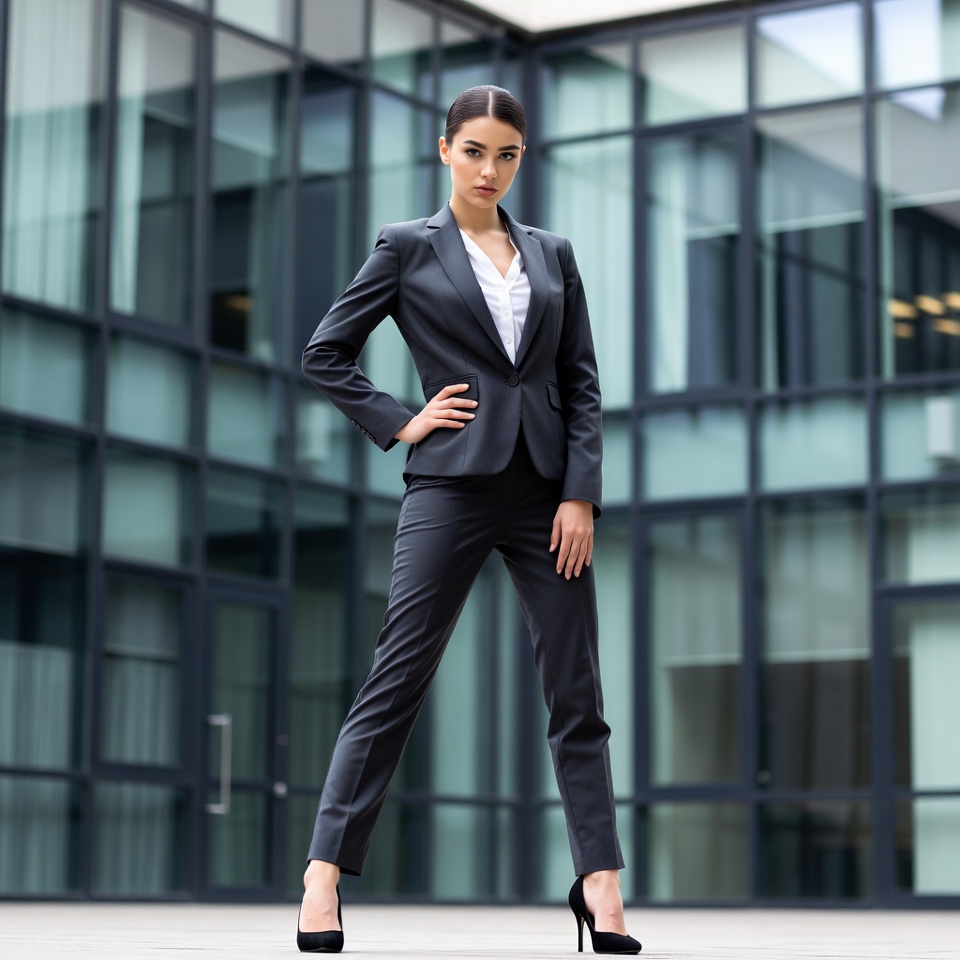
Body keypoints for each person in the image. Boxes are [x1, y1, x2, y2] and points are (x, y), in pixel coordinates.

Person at [297, 85, 640, 956]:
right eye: (476, 151)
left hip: (547, 497)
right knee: (397, 680)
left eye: (509, 154)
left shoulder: (553, 253)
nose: (492, 170)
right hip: (450, 485)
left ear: (522, 159)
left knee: (577, 691)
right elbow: (325, 352)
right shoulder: (407, 248)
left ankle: (600, 886)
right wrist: (399, 420)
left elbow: (582, 383)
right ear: (444, 150)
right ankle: (324, 875)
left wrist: (580, 492)